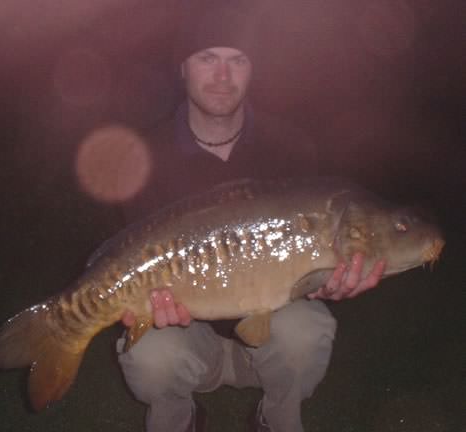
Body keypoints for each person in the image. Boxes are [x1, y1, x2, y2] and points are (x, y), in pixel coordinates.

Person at [115, 2, 385, 431]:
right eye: (207, 58)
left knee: (307, 330)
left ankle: (273, 418)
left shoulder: (291, 146)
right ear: (182, 67)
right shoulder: (144, 158)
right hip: (191, 341)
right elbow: (135, 263)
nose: (222, 76)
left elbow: (314, 257)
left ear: (252, 69)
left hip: (267, 338)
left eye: (237, 60)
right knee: (151, 354)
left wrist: (331, 283)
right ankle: (179, 418)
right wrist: (148, 305)